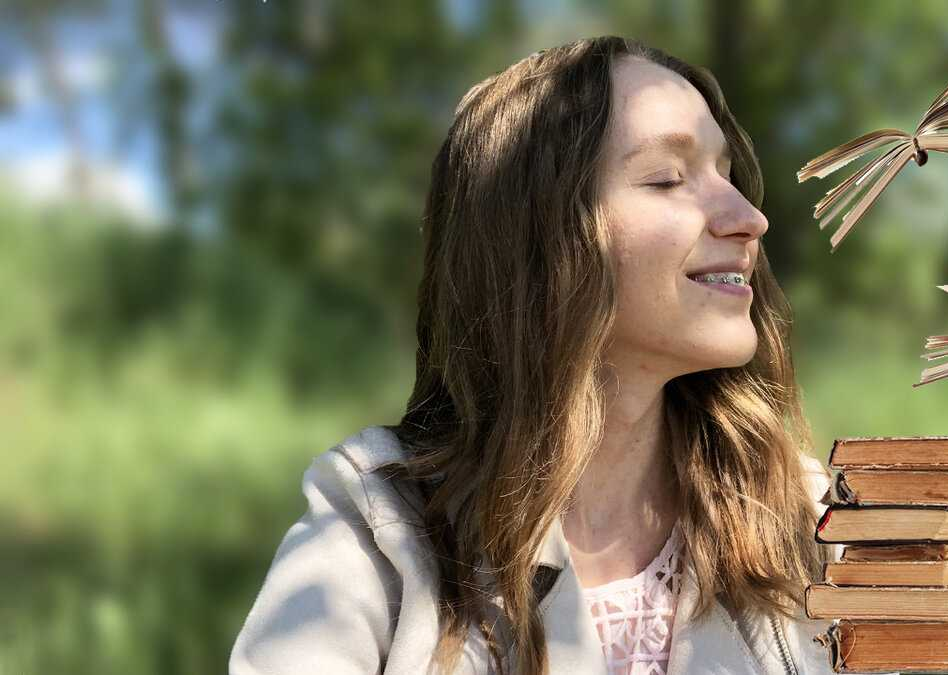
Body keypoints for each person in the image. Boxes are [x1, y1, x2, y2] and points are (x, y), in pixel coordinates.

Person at [230, 35, 837, 675]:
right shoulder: (377, 532)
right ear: (538, 243)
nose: (747, 217)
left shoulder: (805, 522)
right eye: (667, 178)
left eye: (730, 177)